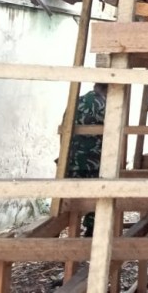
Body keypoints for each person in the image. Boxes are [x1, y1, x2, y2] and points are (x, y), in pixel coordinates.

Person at [66, 82, 108, 237]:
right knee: (96, 195)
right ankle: (91, 231)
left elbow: (64, 127)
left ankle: (62, 231)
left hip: (73, 159)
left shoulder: (76, 101)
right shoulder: (106, 105)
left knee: (71, 197)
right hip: (94, 160)